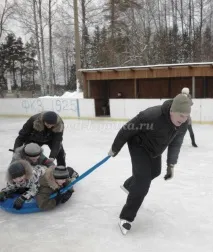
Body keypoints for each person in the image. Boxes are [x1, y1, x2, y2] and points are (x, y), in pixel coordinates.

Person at [108, 94, 191, 235]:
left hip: (155, 148)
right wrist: (115, 148)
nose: (184, 119)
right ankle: (126, 218)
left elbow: (176, 144)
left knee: (155, 172)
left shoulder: (182, 124)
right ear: (172, 110)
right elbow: (127, 129)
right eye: (181, 115)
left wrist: (171, 164)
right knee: (142, 183)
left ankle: (129, 185)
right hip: (138, 145)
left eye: (186, 116)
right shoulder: (152, 115)